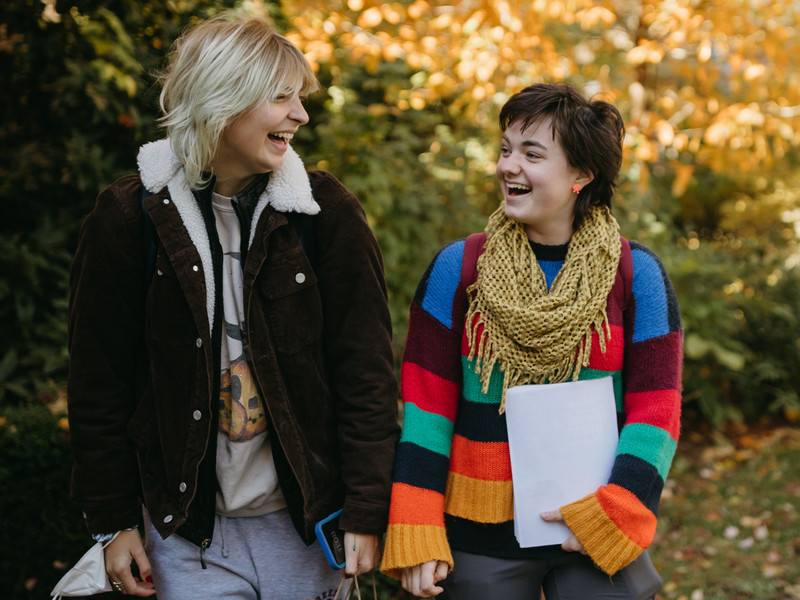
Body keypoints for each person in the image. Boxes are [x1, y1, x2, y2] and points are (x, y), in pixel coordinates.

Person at [67, 14, 399, 600]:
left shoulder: (326, 214)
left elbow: (365, 375)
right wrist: (114, 523)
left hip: (306, 530)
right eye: (282, 97)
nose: (301, 115)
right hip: (185, 539)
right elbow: (99, 385)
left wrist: (368, 510)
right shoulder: (127, 218)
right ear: (224, 99)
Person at [380, 83, 682, 599]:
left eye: (532, 154)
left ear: (582, 175)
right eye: (505, 149)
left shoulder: (637, 275)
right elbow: (427, 409)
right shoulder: (458, 269)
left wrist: (619, 511)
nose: (507, 166)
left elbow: (657, 410)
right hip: (479, 538)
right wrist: (417, 524)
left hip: (593, 530)